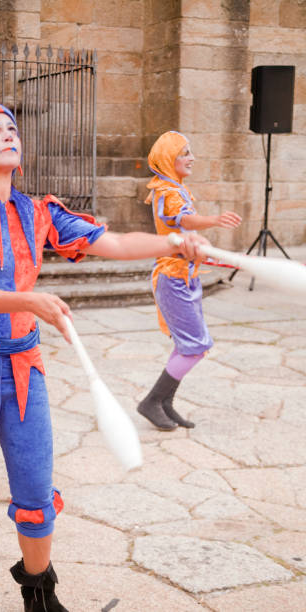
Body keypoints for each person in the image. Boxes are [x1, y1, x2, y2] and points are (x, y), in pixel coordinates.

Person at [0, 103, 209, 612]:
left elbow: (109, 241)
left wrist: (177, 240)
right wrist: (30, 301)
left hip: (21, 367)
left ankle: (42, 603)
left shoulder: (36, 211)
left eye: (12, 128)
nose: (8, 135)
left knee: (36, 494)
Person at [137, 130, 242, 431]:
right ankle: (151, 402)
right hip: (172, 278)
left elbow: (184, 230)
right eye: (184, 153)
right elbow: (183, 220)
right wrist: (213, 220)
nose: (191, 158)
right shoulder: (169, 192)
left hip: (184, 276)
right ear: (169, 159)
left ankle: (165, 401)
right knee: (195, 346)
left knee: (189, 345)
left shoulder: (174, 188)